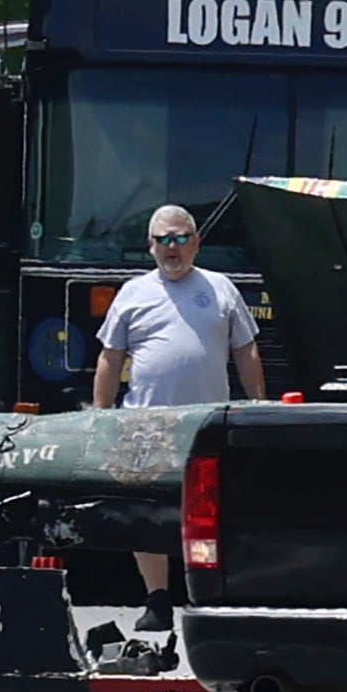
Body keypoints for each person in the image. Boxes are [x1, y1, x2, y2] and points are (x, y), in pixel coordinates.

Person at [93, 203, 265, 630]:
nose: (172, 248)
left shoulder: (221, 288)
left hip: (208, 425)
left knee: (209, 514)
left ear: (196, 242)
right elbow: (111, 358)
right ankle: (156, 600)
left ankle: (208, 599)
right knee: (146, 514)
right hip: (143, 425)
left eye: (180, 238)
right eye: (163, 240)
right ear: (151, 246)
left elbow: (245, 350)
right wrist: (98, 416)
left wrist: (258, 405)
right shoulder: (132, 294)